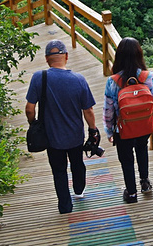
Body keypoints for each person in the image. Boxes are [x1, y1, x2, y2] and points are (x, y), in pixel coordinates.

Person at [25, 39, 99, 214]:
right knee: (77, 163)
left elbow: (29, 108)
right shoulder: (79, 79)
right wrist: (93, 129)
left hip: (51, 137)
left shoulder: (39, 78)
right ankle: (79, 190)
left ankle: (65, 207)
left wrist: (33, 124)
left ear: (46, 58)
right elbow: (87, 109)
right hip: (75, 136)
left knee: (59, 171)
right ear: (66, 56)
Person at [103, 37, 153, 204]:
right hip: (144, 126)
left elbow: (108, 110)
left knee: (126, 159)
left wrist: (109, 131)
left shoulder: (113, 81)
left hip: (123, 129)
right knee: (141, 149)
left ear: (119, 57)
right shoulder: (149, 77)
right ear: (140, 55)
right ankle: (145, 182)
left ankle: (131, 193)